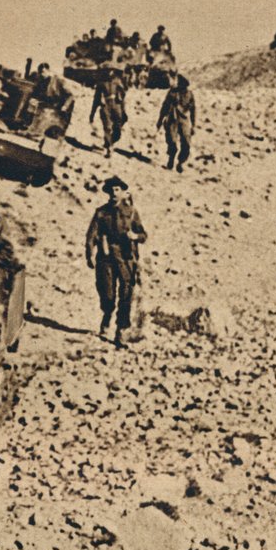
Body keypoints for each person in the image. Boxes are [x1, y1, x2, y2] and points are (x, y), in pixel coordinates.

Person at [85, 177, 147, 349]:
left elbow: (143, 235)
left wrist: (135, 236)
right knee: (108, 294)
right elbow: (91, 235)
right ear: (108, 192)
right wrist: (89, 254)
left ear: (122, 192)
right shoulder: (101, 212)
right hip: (106, 258)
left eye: (117, 189)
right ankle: (107, 315)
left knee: (126, 294)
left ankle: (121, 331)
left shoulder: (131, 212)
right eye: (111, 190)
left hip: (126, 258)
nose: (114, 193)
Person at [156, 73, 196, 172]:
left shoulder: (189, 94)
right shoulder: (172, 93)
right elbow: (164, 107)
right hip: (172, 120)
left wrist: (193, 125)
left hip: (184, 121)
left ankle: (180, 162)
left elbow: (193, 110)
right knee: (172, 142)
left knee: (186, 143)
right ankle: (171, 159)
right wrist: (160, 120)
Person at [90, 65, 127, 158]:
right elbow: (96, 99)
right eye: (107, 70)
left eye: (111, 70)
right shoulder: (101, 83)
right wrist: (92, 113)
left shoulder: (117, 82)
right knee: (107, 127)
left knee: (118, 130)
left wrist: (124, 110)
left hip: (117, 106)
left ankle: (109, 143)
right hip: (105, 106)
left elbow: (123, 97)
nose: (109, 72)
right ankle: (109, 148)